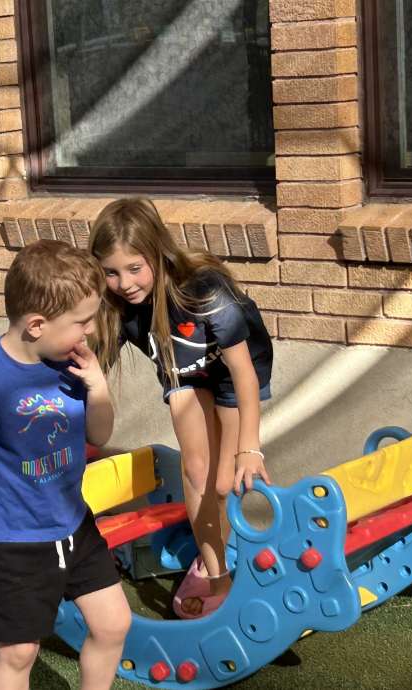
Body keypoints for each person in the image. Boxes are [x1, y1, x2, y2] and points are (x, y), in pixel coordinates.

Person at [0, 240, 132, 690]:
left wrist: (98, 387)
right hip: (14, 540)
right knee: (19, 651)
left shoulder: (71, 363)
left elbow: (99, 435)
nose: (92, 331)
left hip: (74, 525)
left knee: (114, 624)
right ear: (37, 324)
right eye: (82, 321)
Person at [88, 198, 273, 619]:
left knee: (224, 482)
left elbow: (243, 373)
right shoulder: (116, 305)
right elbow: (91, 370)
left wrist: (250, 445)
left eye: (135, 268)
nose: (125, 282)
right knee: (195, 469)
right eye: (111, 272)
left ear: (157, 253)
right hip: (183, 371)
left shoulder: (205, 289)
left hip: (233, 369)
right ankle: (214, 570)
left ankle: (218, 541)